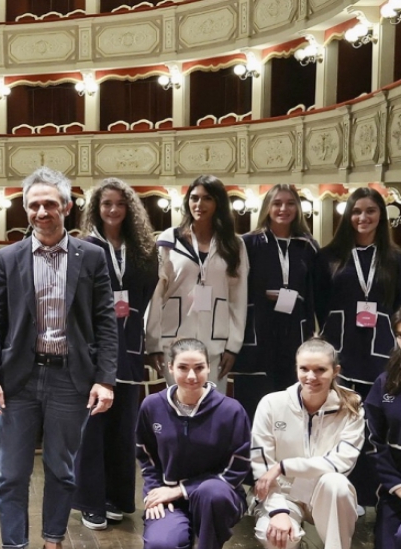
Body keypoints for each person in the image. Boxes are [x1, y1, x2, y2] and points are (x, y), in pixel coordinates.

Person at [0, 167, 118, 549]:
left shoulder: (91, 256)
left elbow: (105, 320)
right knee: (11, 473)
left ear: (67, 207)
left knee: (61, 470)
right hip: (18, 380)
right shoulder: (9, 258)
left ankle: (54, 547)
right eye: (34, 204)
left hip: (69, 380)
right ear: (26, 209)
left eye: (49, 204)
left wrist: (106, 379)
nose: (42, 211)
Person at [136, 338, 251, 549]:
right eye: (183, 368)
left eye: (199, 368)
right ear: (169, 367)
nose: (191, 376)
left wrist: (180, 490)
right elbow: (145, 455)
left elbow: (238, 468)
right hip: (169, 497)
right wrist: (153, 491)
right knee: (161, 546)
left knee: (212, 492)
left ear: (208, 368)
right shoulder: (151, 406)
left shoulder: (231, 410)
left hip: (220, 496)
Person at [73, 178, 159, 530]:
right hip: (95, 347)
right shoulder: (82, 247)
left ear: (129, 209)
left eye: (119, 204)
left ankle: (118, 498)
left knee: (124, 429)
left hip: (132, 344)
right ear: (96, 208)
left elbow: (151, 293)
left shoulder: (142, 249)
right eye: (106, 204)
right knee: (93, 428)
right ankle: (90, 502)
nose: (112, 210)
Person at [252, 338, 363, 549]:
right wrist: (277, 510)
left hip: (323, 495)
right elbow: (261, 467)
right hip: (285, 495)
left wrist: (284, 466)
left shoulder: (352, 406)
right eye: (304, 369)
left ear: (335, 371)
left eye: (320, 370)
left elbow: (340, 463)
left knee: (336, 482)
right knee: (273, 536)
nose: (310, 376)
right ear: (296, 369)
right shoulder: (271, 403)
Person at [316, 187, 401, 508]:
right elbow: (320, 303)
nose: (362, 217)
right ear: (347, 215)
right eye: (356, 211)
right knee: (339, 422)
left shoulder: (395, 259)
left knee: (373, 427)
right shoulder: (329, 257)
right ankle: (337, 494)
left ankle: (372, 495)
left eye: (370, 211)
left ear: (381, 215)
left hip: (379, 352)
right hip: (341, 349)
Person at [146, 175, 248, 387]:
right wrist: (153, 342)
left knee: (212, 408)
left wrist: (233, 345)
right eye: (194, 198)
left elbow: (238, 298)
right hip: (173, 341)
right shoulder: (169, 240)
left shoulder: (234, 245)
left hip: (215, 344)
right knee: (177, 405)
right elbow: (155, 294)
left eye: (207, 198)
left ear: (218, 203)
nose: (199, 204)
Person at [231, 185, 320, 421]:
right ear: (267, 207)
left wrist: (313, 333)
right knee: (253, 407)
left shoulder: (308, 246)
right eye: (277, 203)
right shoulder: (247, 243)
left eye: (290, 203)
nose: (284, 208)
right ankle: (250, 456)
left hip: (293, 333)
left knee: (291, 406)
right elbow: (235, 288)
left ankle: (287, 458)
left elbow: (314, 294)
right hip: (257, 332)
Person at [364, 311, 401, 549]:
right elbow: (373, 440)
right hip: (397, 489)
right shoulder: (384, 382)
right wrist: (395, 485)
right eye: (400, 335)